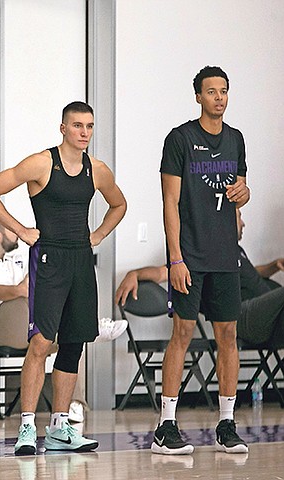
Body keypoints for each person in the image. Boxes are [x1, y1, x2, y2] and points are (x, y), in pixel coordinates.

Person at [0, 101, 127, 455]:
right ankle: (27, 425)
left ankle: (60, 426)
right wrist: (21, 229)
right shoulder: (42, 163)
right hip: (49, 260)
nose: (84, 133)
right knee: (42, 343)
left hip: (80, 261)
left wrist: (99, 234)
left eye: (89, 126)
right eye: (77, 126)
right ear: (62, 128)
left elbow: (119, 204)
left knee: (74, 344)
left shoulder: (98, 169)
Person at [155, 66, 250, 455]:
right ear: (198, 96)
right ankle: (166, 425)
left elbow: (240, 192)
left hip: (226, 254)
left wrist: (244, 194)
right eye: (211, 91)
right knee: (183, 333)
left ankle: (226, 422)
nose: (219, 98)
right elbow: (170, 202)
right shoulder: (180, 139)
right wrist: (175, 259)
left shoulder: (237, 140)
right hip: (190, 256)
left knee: (228, 336)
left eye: (224, 91)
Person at [0, 214, 128, 422]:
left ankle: (74, 404)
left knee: (73, 338)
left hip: (22, 325)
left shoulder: (13, 263)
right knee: (27, 296)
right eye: (12, 231)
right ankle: (92, 326)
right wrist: (22, 290)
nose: (17, 235)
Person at [116, 210, 284, 348]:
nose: (243, 223)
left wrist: (275, 265)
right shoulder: (205, 253)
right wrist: (135, 274)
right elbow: (164, 273)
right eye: (239, 216)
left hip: (270, 317)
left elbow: (251, 275)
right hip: (244, 316)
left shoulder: (235, 250)